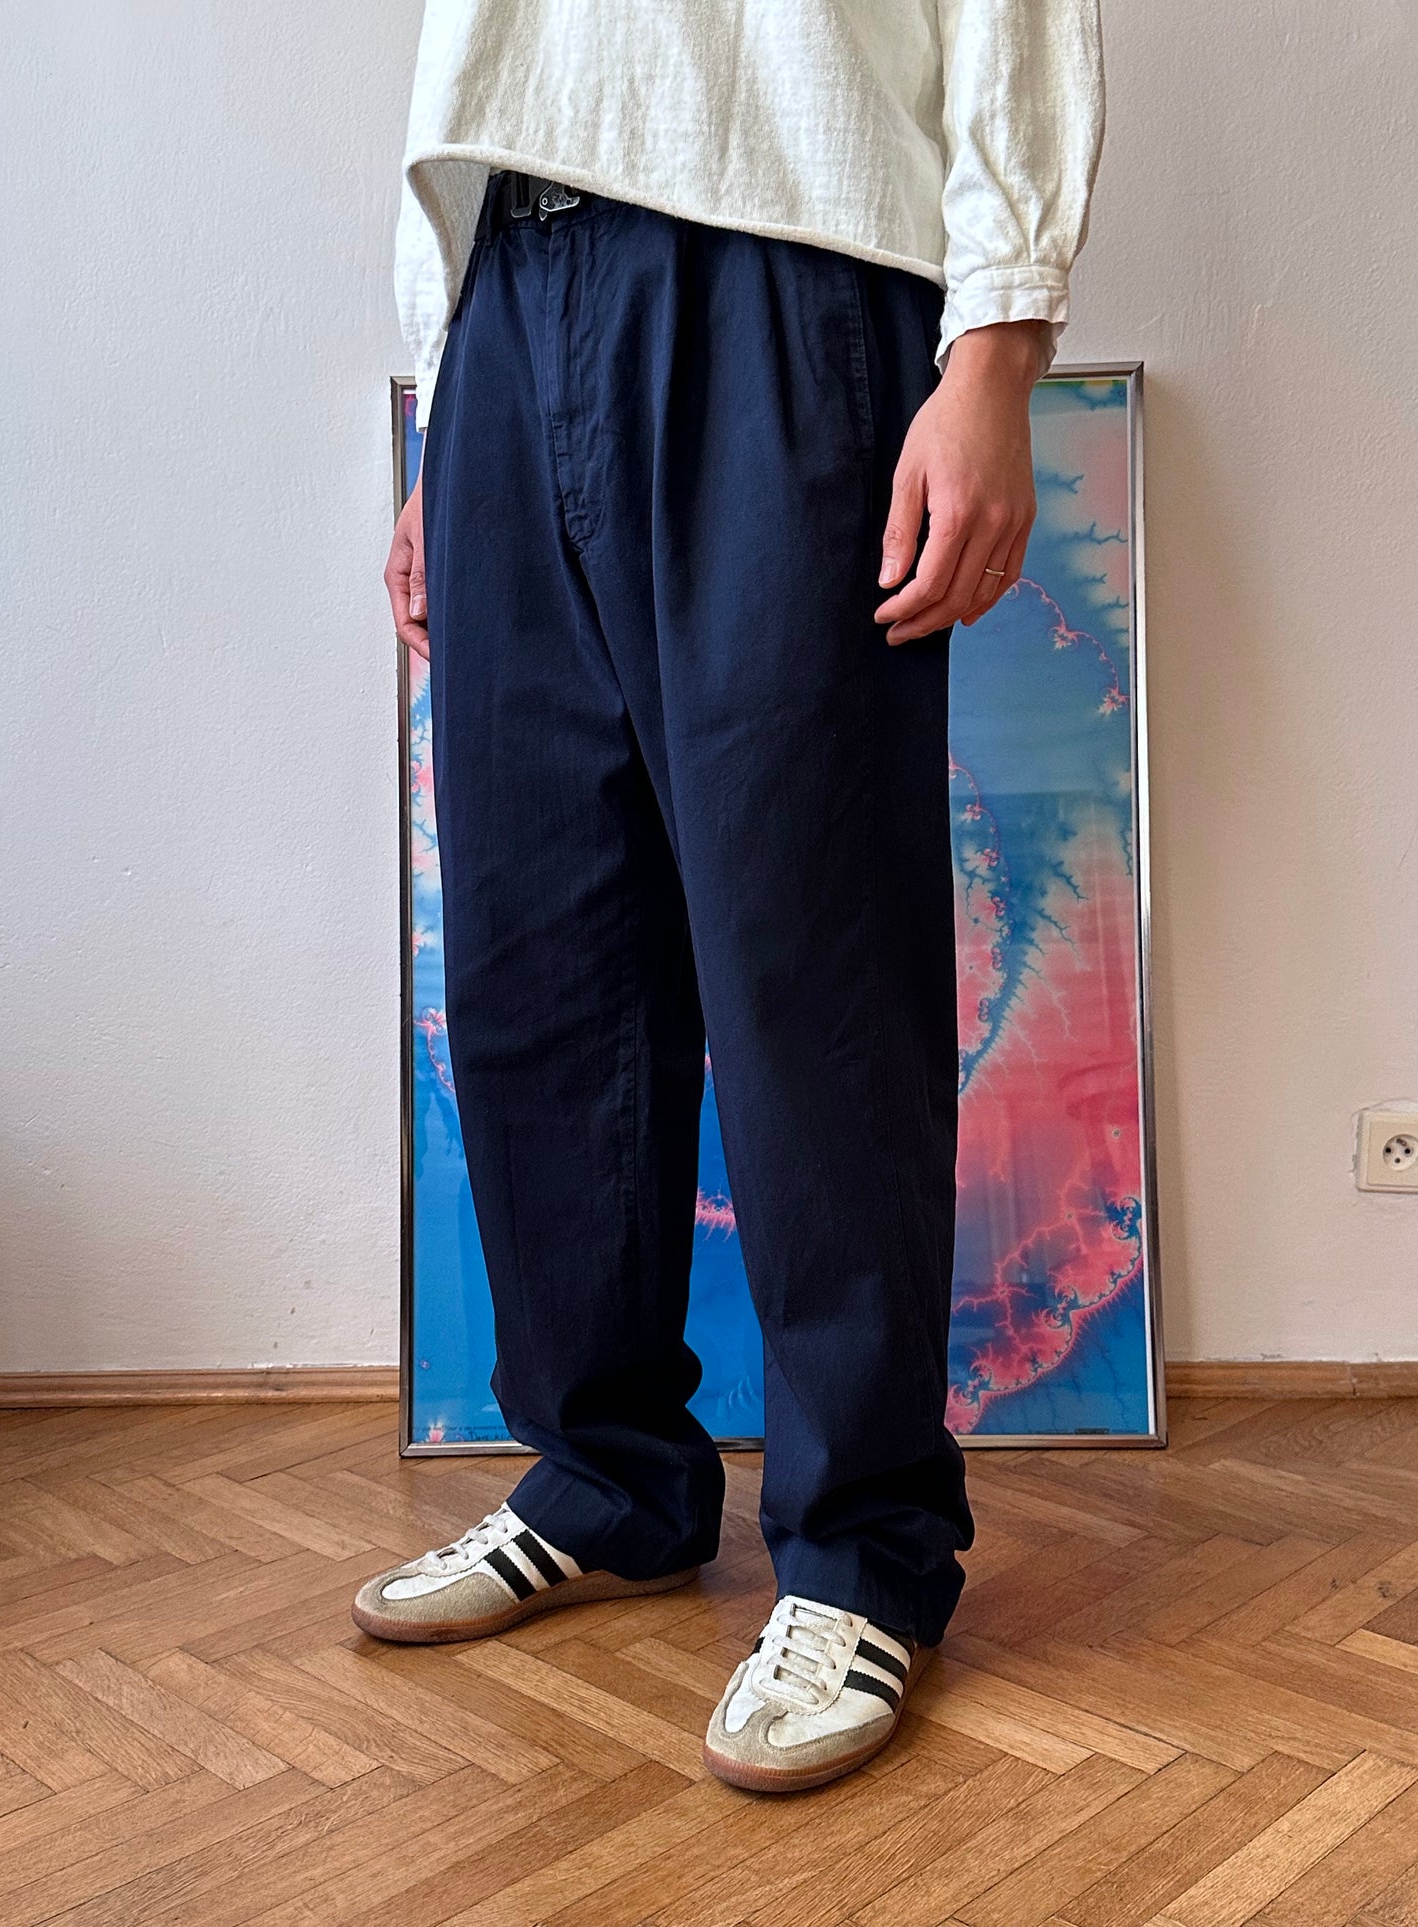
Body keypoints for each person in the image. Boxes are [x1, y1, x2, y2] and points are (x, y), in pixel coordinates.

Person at [359, 0, 1105, 1794]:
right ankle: (606, 1475)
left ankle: (863, 1547)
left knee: (805, 956)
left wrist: (996, 344)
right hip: (512, 286)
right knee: (541, 951)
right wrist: (447, 382)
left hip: (785, 264)